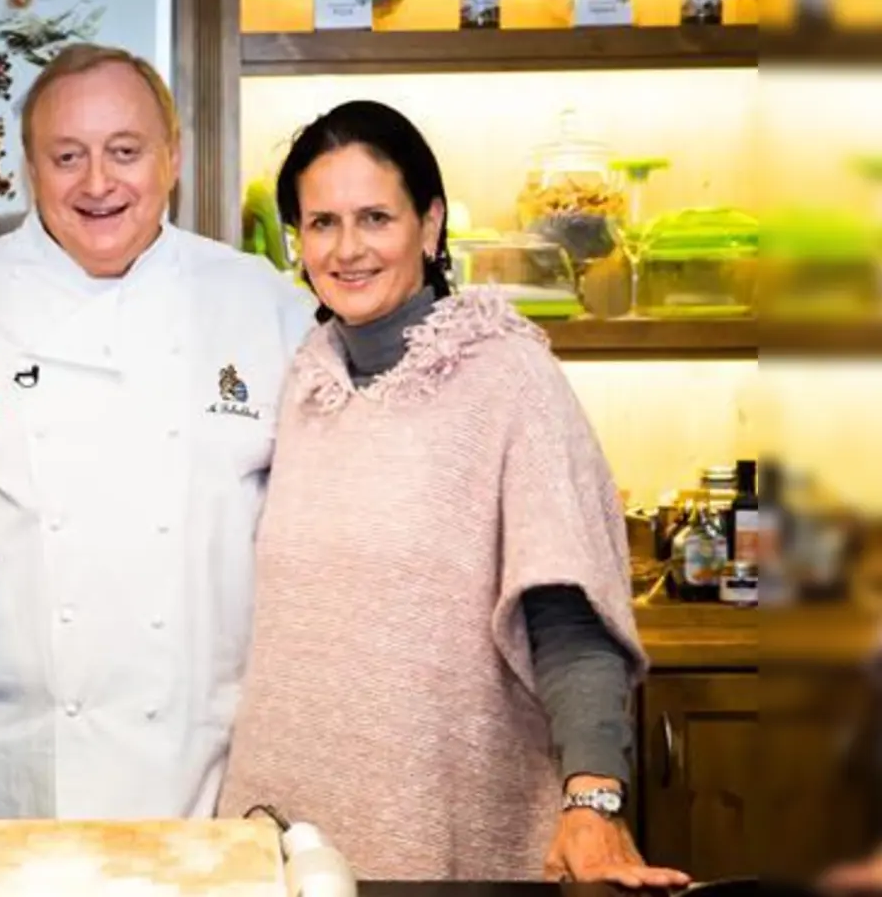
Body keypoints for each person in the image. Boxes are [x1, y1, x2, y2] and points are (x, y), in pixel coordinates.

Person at [215, 100, 693, 887]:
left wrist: (594, 801)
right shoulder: (305, 377)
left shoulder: (510, 380)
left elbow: (570, 619)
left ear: (430, 225)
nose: (347, 248)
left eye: (376, 217)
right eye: (322, 223)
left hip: (445, 826)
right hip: (287, 827)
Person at [0, 44, 313, 820]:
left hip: (207, 776)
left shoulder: (261, 303)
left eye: (125, 152)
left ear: (173, 159)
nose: (98, 183)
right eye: (68, 156)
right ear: (31, 168)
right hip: (12, 776)